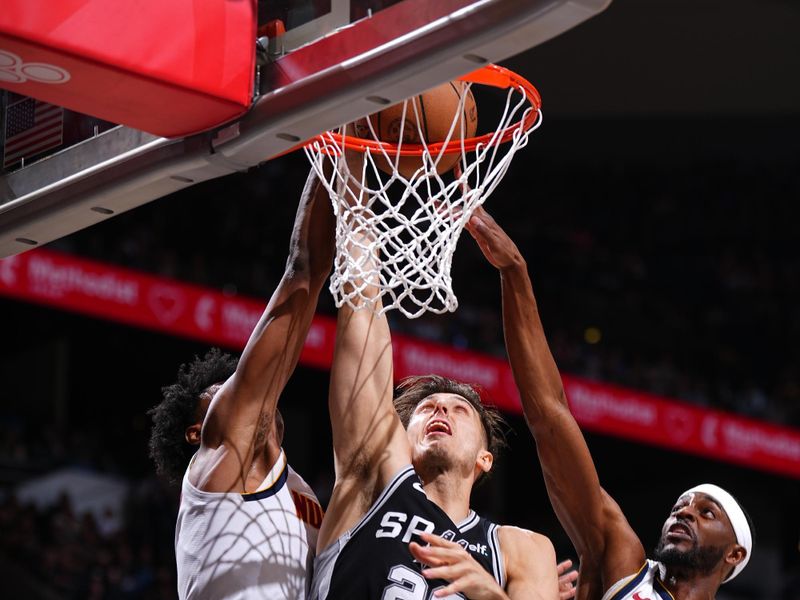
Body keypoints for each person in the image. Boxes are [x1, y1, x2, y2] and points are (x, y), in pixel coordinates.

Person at [464, 204, 753, 600]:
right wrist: (515, 273)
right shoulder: (624, 566)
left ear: (734, 554)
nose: (683, 513)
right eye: (681, 506)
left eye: (706, 513)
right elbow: (549, 419)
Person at [309, 162, 560, 599]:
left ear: (485, 459)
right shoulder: (370, 485)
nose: (441, 409)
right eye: (426, 409)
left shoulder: (521, 550)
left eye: (459, 410)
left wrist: (487, 592)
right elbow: (363, 303)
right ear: (402, 443)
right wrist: (352, 163)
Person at [147, 167, 334, 599]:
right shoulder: (218, 465)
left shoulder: (304, 493)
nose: (236, 391)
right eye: (220, 397)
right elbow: (304, 269)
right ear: (199, 432)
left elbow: (316, 268)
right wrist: (335, 151)